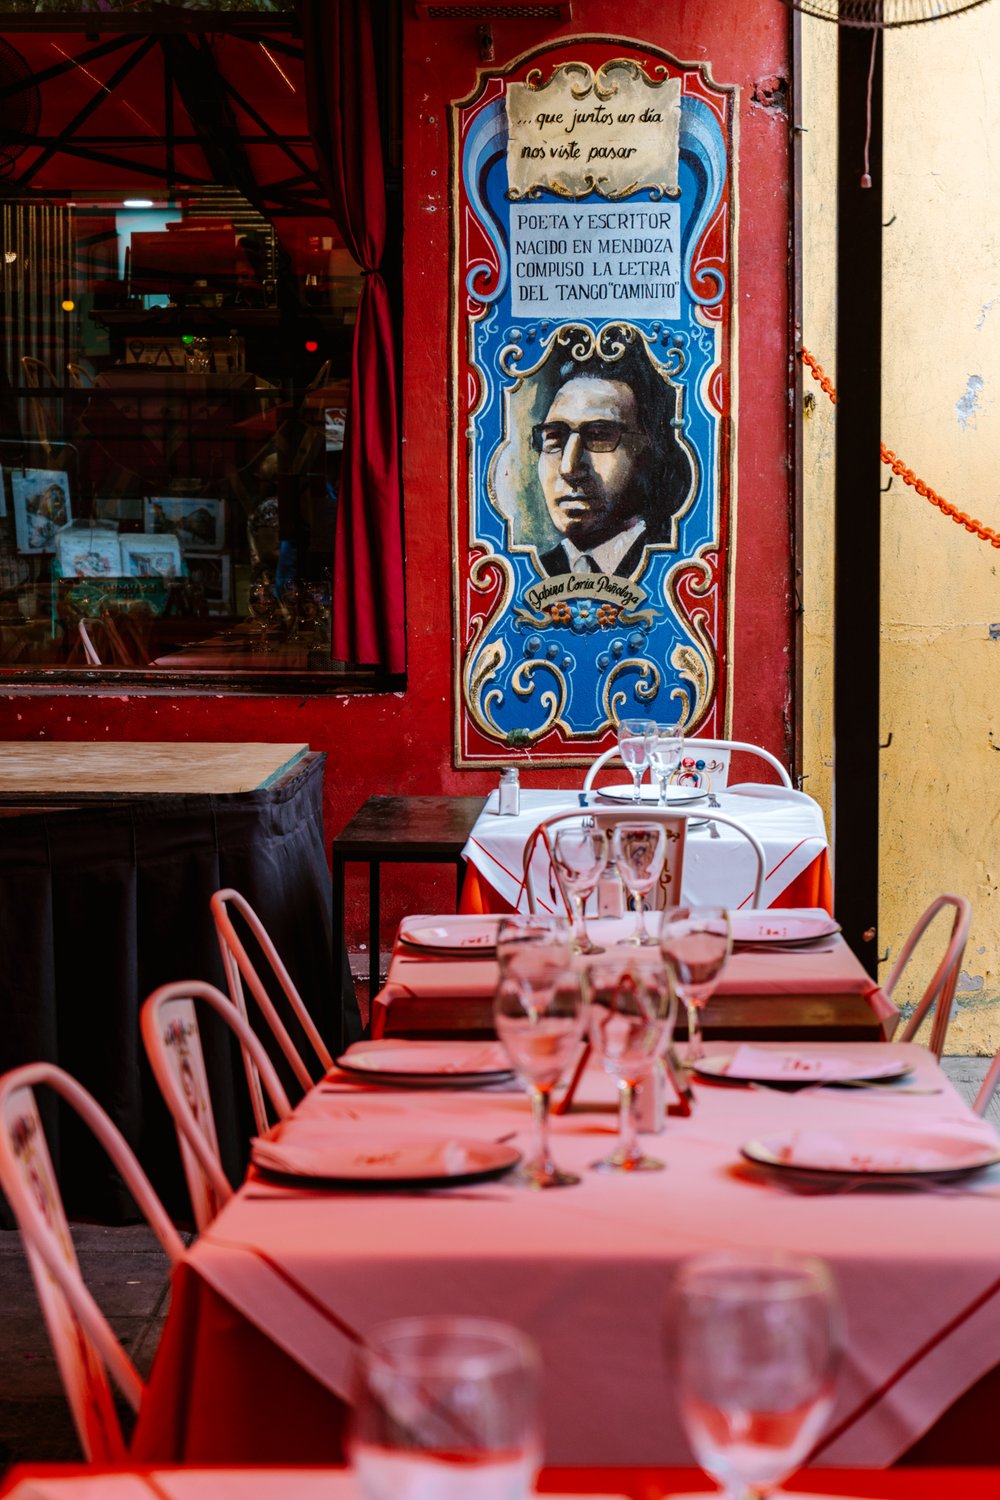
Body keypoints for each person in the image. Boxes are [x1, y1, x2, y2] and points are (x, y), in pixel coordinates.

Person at [532, 351, 694, 579]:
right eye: (555, 437)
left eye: (599, 436)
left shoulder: (675, 563)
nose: (568, 468)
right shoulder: (538, 568)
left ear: (650, 450)